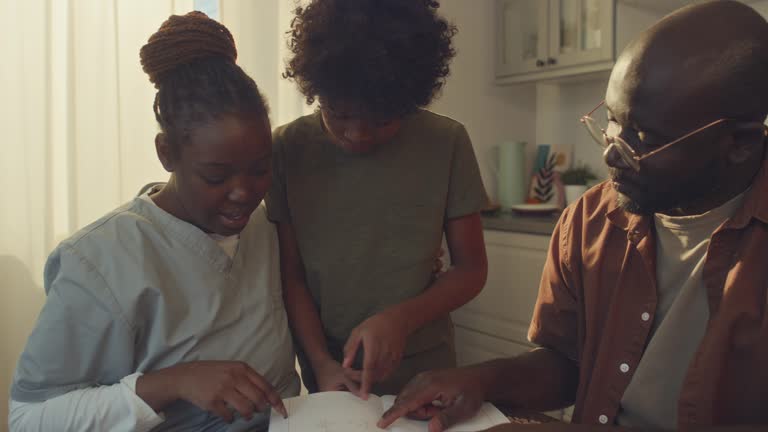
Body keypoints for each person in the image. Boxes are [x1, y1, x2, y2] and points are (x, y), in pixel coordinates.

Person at [378, 1, 768, 431]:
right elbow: (568, 362)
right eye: (613, 121)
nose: (610, 152)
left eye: (644, 138)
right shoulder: (590, 219)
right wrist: (480, 380)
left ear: (740, 144)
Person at [9, 12, 299, 432]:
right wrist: (171, 383)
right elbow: (28, 418)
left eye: (259, 169)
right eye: (216, 176)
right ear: (167, 153)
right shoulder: (100, 260)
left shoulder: (266, 225)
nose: (244, 192)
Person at [267, 0, 489, 398]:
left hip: (426, 368)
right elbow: (291, 277)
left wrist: (400, 320)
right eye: (338, 114)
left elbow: (471, 268)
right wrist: (321, 363)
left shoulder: (446, 142)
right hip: (333, 371)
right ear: (318, 89)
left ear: (409, 99)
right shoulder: (287, 148)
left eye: (381, 120)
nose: (357, 134)